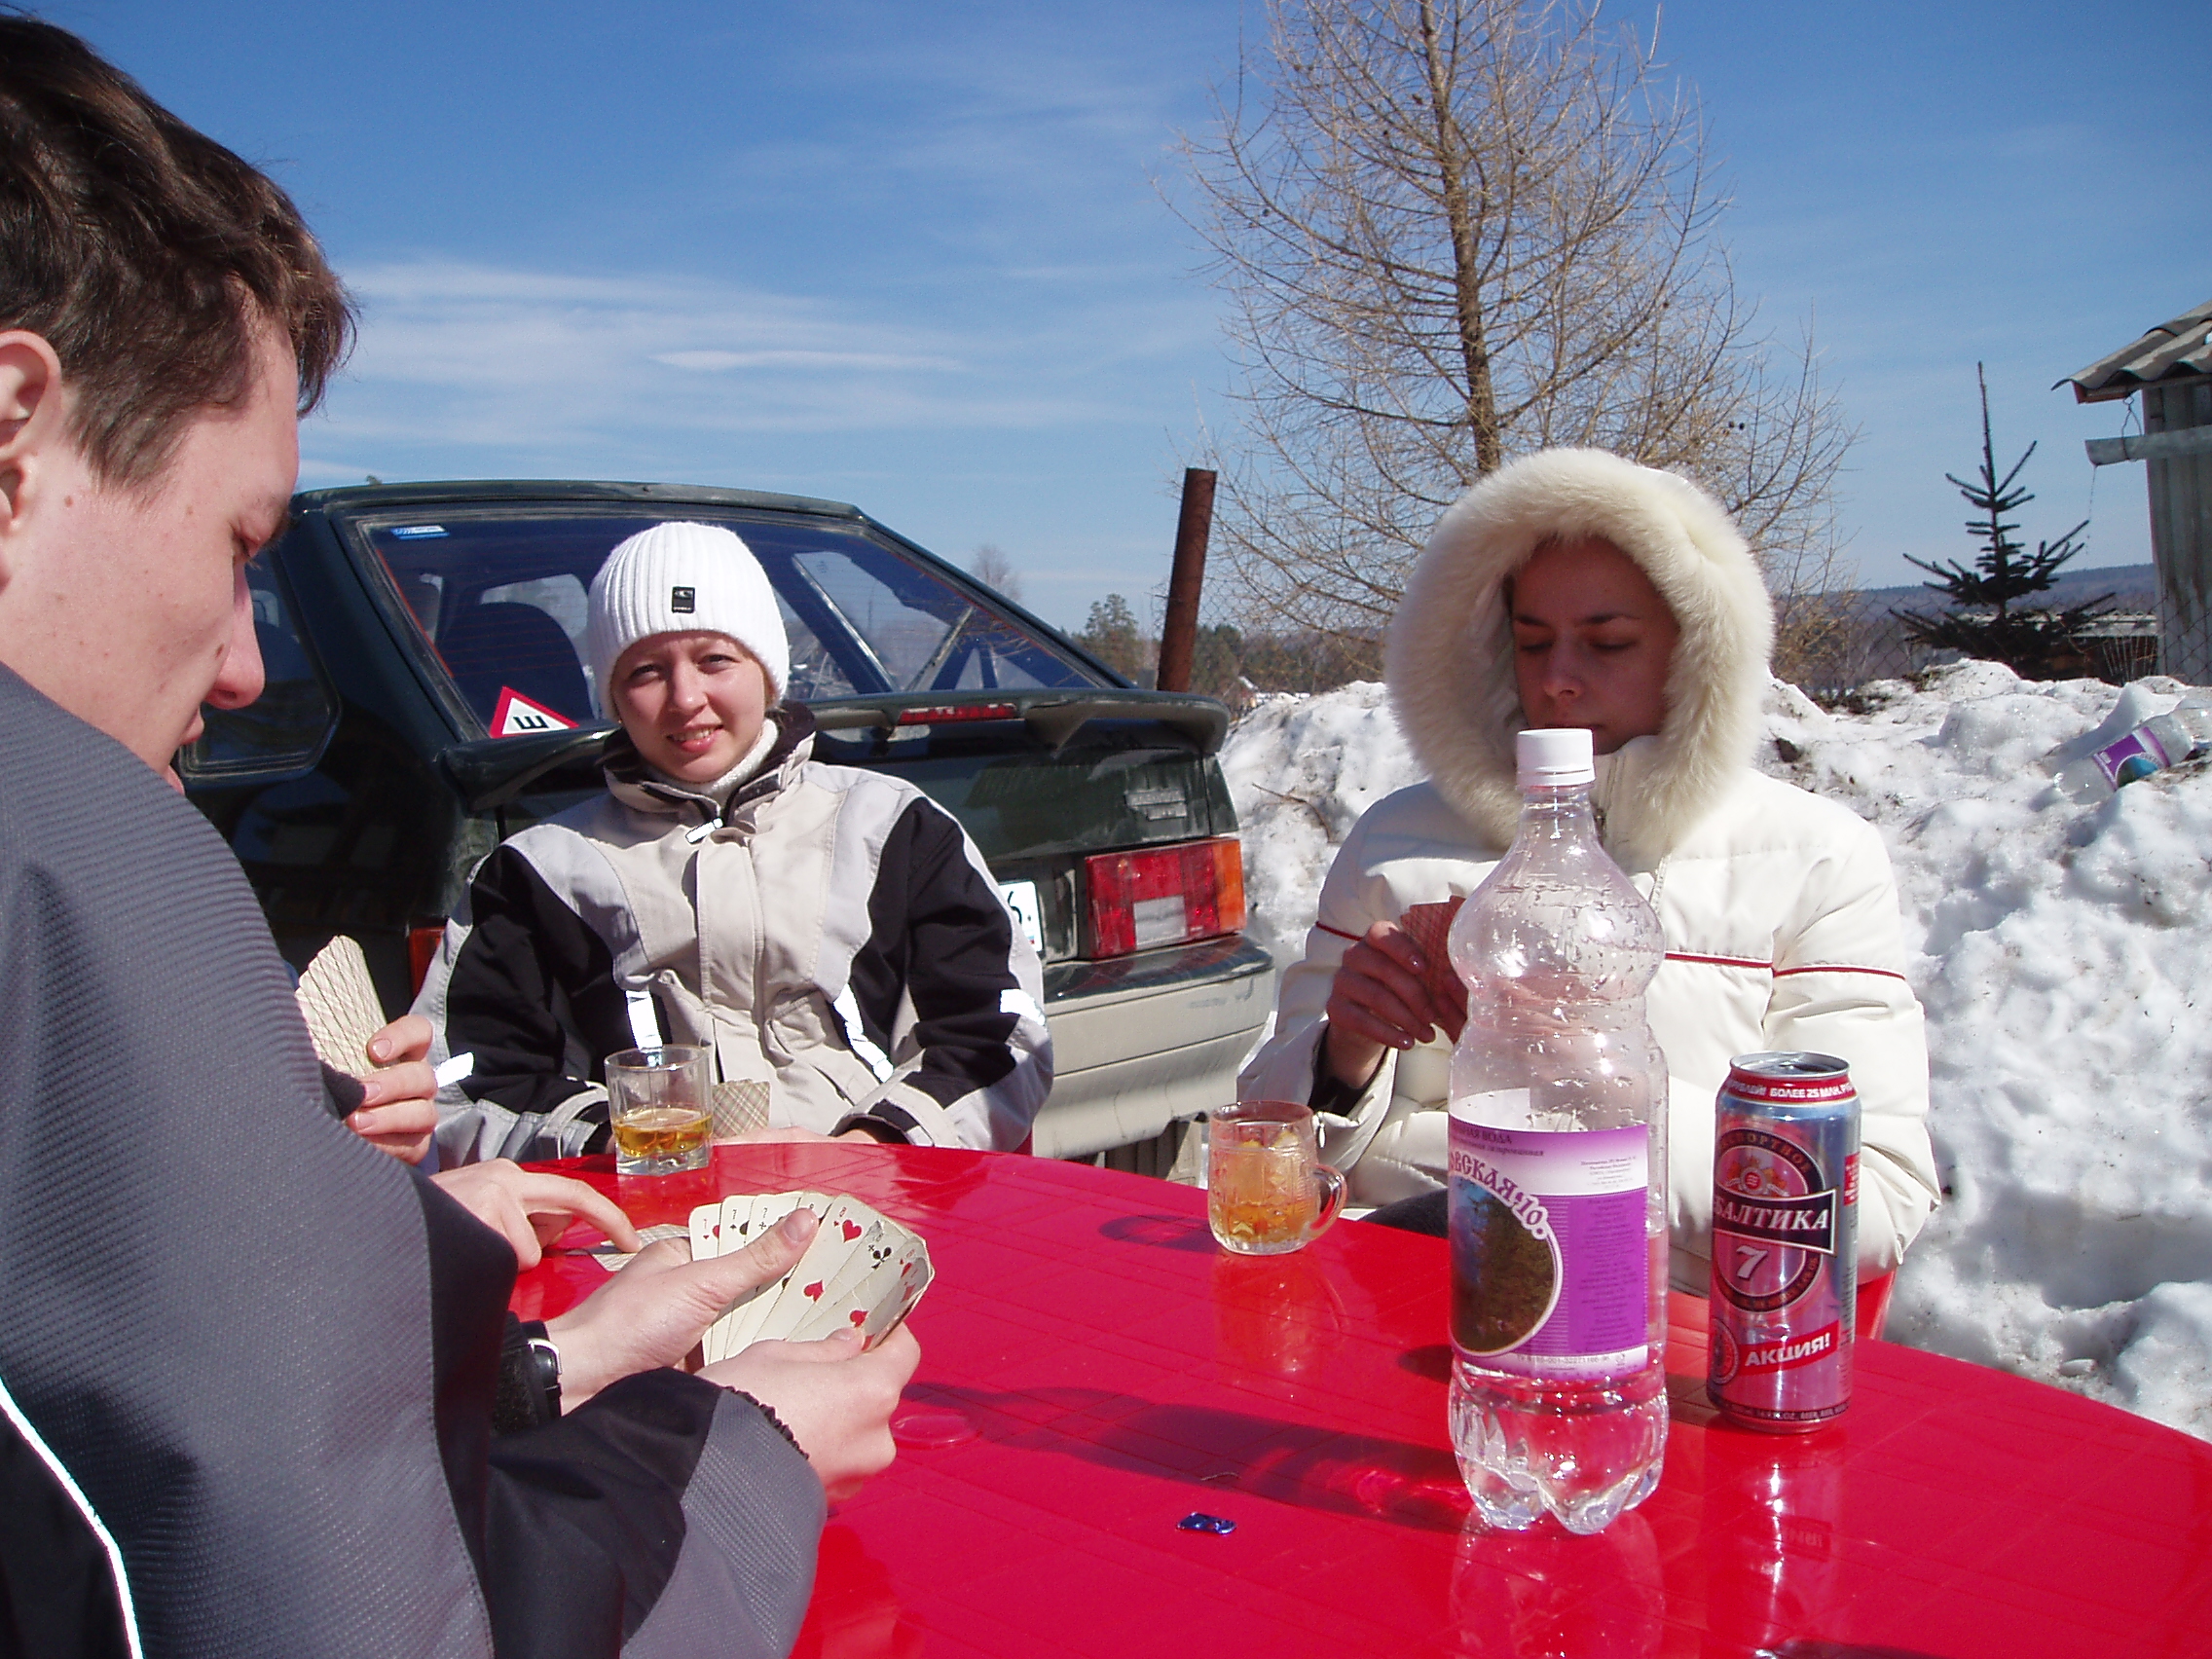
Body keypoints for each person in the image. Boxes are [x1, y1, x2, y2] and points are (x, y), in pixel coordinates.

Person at [0, 20, 913, 1656]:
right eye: (239, 544)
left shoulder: (890, 825)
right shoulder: (81, 872)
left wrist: (544, 1357)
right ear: (13, 430)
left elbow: (98, 1481)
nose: (246, 665)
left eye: (716, 660)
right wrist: (735, 1456)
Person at [1240, 449, 1940, 1291]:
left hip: (1658, 1323)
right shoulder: (1397, 842)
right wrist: (1341, 1059)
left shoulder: (1814, 858)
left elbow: (1874, 1202)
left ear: (1696, 652)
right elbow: (1268, 1159)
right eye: (1531, 642)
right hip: (1391, 1292)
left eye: (1608, 643)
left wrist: (1583, 1075)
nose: (1558, 681)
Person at [416, 519, 1052, 1165]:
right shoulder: (537, 870)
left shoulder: (891, 825)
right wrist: (624, 1146)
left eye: (715, 659)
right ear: (612, 696)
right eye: (645, 671)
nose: (686, 698)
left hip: (875, 1191)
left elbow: (995, 1030)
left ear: (767, 673)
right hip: (640, 1203)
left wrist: (871, 1149)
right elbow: (472, 1080)